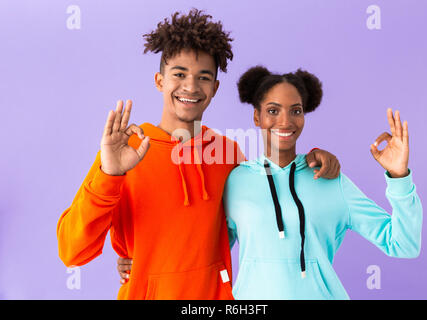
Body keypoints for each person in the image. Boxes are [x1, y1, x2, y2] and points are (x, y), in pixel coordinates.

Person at [57, 9, 341, 300]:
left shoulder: (228, 154)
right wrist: (110, 174)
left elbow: (268, 207)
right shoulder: (123, 150)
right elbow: (72, 252)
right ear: (159, 80)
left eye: (203, 77)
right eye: (179, 74)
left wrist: (312, 160)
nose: (191, 87)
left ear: (215, 88)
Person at [222, 66, 422, 299]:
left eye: (295, 111)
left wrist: (399, 177)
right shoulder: (235, 181)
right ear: (257, 116)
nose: (285, 121)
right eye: (273, 110)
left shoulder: (330, 180)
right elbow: (210, 256)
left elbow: (403, 245)